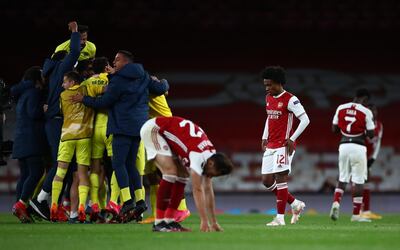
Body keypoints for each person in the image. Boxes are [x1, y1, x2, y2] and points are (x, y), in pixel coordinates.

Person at [70, 50, 169, 223]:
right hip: (139, 127)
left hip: (122, 127)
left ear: (125, 62)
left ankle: (128, 201)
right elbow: (160, 88)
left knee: (118, 163)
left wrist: (83, 99)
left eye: (117, 60)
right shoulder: (143, 76)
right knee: (130, 164)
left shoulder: (118, 81)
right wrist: (164, 81)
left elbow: (103, 102)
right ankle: (139, 201)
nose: (114, 62)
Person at [140, 116, 234, 232]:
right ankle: (159, 223)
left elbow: (208, 190)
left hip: (166, 134)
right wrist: (204, 221)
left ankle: (170, 221)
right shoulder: (198, 155)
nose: (210, 177)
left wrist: (213, 222)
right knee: (170, 172)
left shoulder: (211, 154)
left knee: (182, 175)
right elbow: (198, 189)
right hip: (154, 129)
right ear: (211, 164)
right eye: (213, 174)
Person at [30, 21, 81, 221]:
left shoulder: (51, 73)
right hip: (57, 122)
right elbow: (75, 51)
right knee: (62, 163)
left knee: (64, 166)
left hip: (54, 121)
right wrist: (75, 33)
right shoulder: (62, 68)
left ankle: (53, 205)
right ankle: (41, 199)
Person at [50, 71, 104, 223]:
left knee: (60, 172)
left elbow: (60, 112)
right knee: (82, 175)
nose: (63, 85)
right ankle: (81, 207)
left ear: (72, 82)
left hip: (67, 137)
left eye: (65, 82)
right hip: (84, 138)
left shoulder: (63, 95)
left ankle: (53, 206)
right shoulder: (87, 91)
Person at [260, 66, 310, 226]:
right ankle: (295, 204)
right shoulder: (268, 98)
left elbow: (305, 120)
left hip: (283, 145)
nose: (267, 88)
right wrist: (264, 136)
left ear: (279, 83)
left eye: (270, 85)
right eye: (265, 85)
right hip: (271, 144)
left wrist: (292, 138)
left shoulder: (291, 99)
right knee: (267, 180)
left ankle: (280, 218)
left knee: (281, 179)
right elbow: (269, 117)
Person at [330, 88, 375, 222]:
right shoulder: (366, 111)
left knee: (343, 178)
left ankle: (336, 203)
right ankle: (356, 215)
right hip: (358, 146)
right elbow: (371, 134)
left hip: (343, 146)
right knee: (359, 180)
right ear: (365, 99)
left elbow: (334, 129)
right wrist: (363, 130)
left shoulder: (341, 108)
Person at [11, 66, 46, 223]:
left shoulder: (22, 95)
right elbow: (34, 113)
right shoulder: (34, 93)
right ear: (37, 78)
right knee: (36, 172)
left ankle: (20, 207)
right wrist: (44, 109)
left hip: (20, 138)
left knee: (25, 174)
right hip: (31, 139)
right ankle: (21, 204)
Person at [361, 104, 383, 220]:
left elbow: (378, 143)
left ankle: (365, 210)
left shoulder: (379, 125)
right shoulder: (363, 124)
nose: (374, 112)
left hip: (369, 157)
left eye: (375, 110)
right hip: (360, 155)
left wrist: (373, 158)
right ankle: (361, 210)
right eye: (371, 110)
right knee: (359, 181)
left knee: (366, 179)